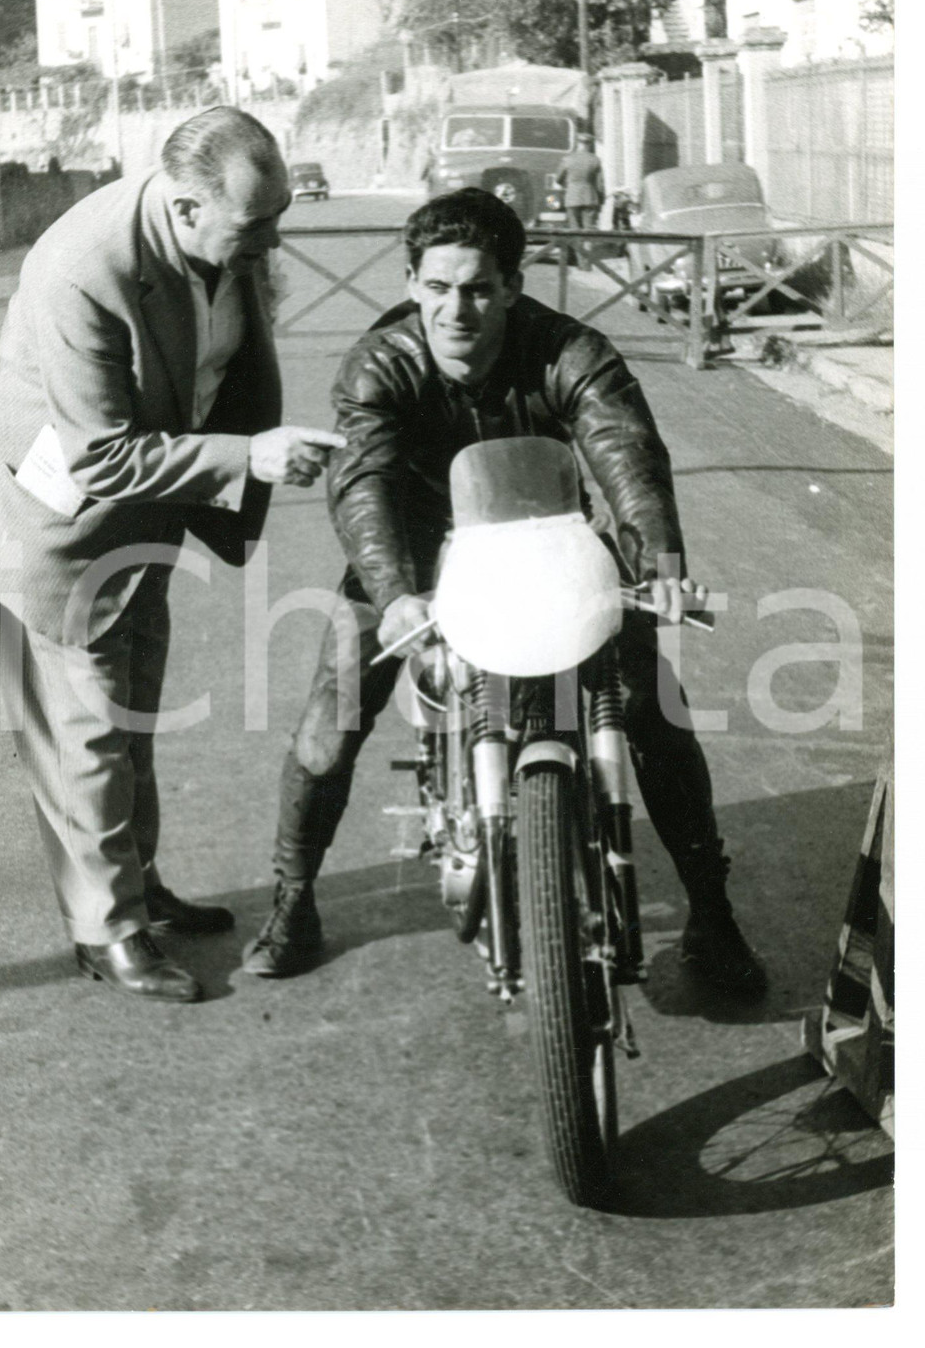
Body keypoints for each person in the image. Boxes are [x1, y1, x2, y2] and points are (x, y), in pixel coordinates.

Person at [241, 186, 767, 996]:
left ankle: (713, 912)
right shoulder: (378, 365)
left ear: (514, 287)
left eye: (481, 288)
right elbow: (364, 483)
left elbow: (627, 455)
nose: (459, 309)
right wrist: (393, 597)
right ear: (411, 281)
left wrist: (660, 567)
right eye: (440, 287)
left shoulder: (570, 351)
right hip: (412, 557)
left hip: (550, 541)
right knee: (330, 718)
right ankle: (293, 899)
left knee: (653, 708)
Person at [0, 106, 344, 1003]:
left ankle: (138, 883)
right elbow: (98, 455)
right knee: (85, 731)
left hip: (144, 503)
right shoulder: (88, 268)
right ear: (188, 205)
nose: (274, 239)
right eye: (255, 224)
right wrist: (249, 457)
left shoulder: (219, 239)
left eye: (276, 217)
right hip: (48, 518)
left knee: (134, 707)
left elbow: (221, 365)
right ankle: (106, 930)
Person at [557, 131, 604, 268]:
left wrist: (568, 185)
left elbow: (558, 179)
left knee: (575, 230)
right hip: (590, 197)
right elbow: (600, 184)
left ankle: (580, 262)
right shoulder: (595, 160)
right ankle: (587, 262)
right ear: (589, 145)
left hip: (572, 198)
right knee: (588, 230)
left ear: (577, 143)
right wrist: (600, 199)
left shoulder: (568, 159)